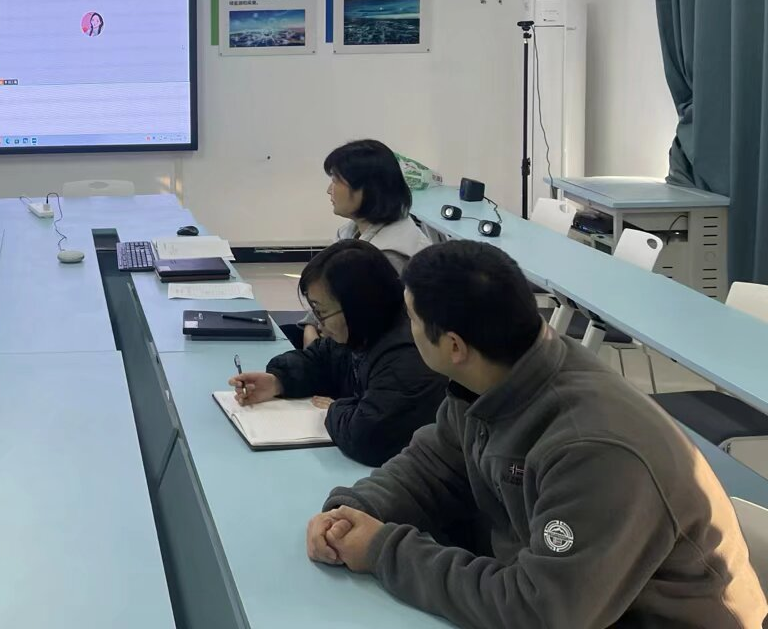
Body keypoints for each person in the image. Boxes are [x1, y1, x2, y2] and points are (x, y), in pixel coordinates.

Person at [306, 242, 768, 628]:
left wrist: (383, 550)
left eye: (410, 318)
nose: (404, 330)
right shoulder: (493, 376)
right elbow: (433, 464)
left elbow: (540, 611)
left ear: (453, 346)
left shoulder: (594, 451)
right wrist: (355, 509)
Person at [229, 241, 445, 466]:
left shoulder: (406, 357)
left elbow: (368, 437)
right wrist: (278, 381)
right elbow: (320, 360)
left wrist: (336, 407)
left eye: (321, 312)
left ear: (357, 307)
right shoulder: (363, 331)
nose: (319, 324)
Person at [298, 139, 433, 348]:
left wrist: (314, 344)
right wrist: (310, 326)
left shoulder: (391, 257)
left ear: (366, 189)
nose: (329, 190)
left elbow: (360, 329)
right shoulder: (352, 231)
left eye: (335, 180)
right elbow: (327, 295)